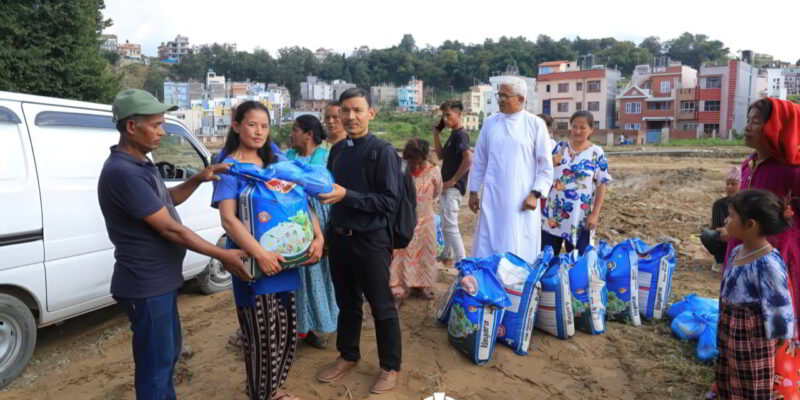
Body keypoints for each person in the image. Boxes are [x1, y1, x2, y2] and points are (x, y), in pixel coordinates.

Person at [98, 89, 248, 400]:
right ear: (131, 127)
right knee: (155, 365)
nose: (162, 132)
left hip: (159, 281)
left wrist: (198, 178)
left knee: (167, 355)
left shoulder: (140, 164)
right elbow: (171, 229)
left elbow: (166, 203)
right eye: (156, 125)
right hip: (145, 283)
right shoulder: (123, 173)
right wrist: (222, 255)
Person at [212, 100, 323, 400]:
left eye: (264, 126)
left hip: (286, 263)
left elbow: (300, 201)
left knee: (286, 331)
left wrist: (318, 235)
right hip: (253, 265)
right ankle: (263, 394)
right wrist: (260, 253)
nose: (259, 132)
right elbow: (228, 219)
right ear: (236, 126)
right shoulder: (230, 168)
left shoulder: (276, 163)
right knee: (261, 336)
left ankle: (272, 388)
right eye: (252, 124)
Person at [317, 88, 402, 394]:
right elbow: (328, 191)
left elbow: (389, 202)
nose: (350, 116)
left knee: (381, 306)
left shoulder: (383, 151)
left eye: (357, 110)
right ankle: (348, 354)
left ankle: (390, 366)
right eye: (345, 110)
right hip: (340, 238)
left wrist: (347, 196)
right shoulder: (338, 151)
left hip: (371, 241)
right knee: (347, 303)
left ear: (371, 113)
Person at [723, 98, 800, 319]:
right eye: (748, 120)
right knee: (738, 307)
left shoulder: (792, 171)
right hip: (740, 247)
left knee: (767, 318)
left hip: (775, 257)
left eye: (756, 121)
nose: (747, 126)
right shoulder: (748, 164)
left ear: (779, 126)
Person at [716, 189, 795, 400]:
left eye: (732, 215)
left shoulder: (768, 263)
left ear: (750, 224)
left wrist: (779, 338)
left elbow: (780, 303)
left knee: (751, 384)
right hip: (729, 327)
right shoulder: (735, 252)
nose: (726, 219)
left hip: (753, 337)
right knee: (729, 375)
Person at [468, 77, 554, 264]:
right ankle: (487, 285)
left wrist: (535, 194)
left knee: (518, 246)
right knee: (487, 245)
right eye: (499, 95)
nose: (500, 100)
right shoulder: (491, 123)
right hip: (492, 198)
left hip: (522, 200)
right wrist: (474, 191)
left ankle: (517, 287)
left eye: (505, 96)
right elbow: (479, 160)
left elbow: (546, 166)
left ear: (521, 99)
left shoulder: (535, 124)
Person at [285, 115, 339, 349]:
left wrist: (325, 234)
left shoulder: (326, 157)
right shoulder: (287, 157)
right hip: (293, 223)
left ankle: (319, 326)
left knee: (318, 275)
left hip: (320, 222)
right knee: (295, 277)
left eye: (296, 130)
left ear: (308, 134)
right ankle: (298, 328)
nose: (292, 134)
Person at [542, 111, 611, 256]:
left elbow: (602, 185)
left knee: (579, 262)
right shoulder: (559, 148)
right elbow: (542, 173)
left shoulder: (596, 153)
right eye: (574, 126)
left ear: (591, 130)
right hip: (553, 214)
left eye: (582, 127)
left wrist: (595, 214)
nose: (577, 131)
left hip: (580, 216)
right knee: (546, 258)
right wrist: (550, 163)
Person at [390, 138, 442, 303]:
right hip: (404, 219)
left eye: (420, 163)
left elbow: (437, 191)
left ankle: (421, 286)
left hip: (426, 219)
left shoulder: (434, 170)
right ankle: (397, 288)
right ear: (406, 158)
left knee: (425, 254)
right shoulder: (400, 168)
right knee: (400, 254)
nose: (417, 167)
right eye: (413, 163)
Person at [433, 100, 471, 268]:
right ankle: (447, 258)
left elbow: (469, 159)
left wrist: (454, 180)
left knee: (450, 225)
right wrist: (436, 134)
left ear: (459, 115)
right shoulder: (453, 135)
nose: (446, 119)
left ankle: (463, 262)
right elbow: (440, 155)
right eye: (443, 116)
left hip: (453, 188)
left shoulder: (460, 135)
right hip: (447, 186)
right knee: (445, 224)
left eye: (449, 115)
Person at [700, 166, 740, 272]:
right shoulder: (719, 204)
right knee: (707, 235)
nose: (729, 187)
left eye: (734, 184)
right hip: (725, 237)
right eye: (727, 184)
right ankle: (721, 260)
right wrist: (725, 230)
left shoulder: (747, 204)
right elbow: (717, 228)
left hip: (741, 237)